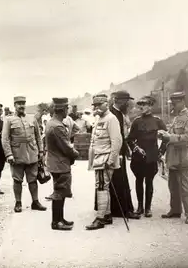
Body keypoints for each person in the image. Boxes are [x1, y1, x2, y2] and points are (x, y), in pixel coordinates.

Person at [1, 96, 46, 213]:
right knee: (17, 180)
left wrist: (41, 151)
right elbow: (5, 139)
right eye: (19, 103)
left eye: (23, 103)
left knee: (33, 179)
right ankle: (18, 202)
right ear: (14, 105)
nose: (21, 105)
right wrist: (9, 154)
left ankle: (35, 202)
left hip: (32, 154)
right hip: (17, 155)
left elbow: (38, 137)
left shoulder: (32, 119)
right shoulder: (9, 120)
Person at [158, 91, 188, 224]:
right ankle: (175, 210)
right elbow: (171, 134)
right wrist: (164, 134)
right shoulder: (175, 119)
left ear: (181, 102)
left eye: (174, 103)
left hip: (184, 157)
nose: (172, 106)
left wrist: (170, 137)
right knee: (173, 185)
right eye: (172, 103)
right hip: (173, 157)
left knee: (185, 187)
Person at [86, 94, 123, 230]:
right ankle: (106, 215)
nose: (96, 108)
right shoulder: (99, 119)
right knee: (102, 186)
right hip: (99, 159)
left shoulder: (111, 119)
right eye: (94, 105)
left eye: (98, 105)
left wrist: (111, 160)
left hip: (105, 159)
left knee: (101, 187)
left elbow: (117, 141)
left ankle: (100, 218)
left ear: (106, 104)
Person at [127, 95, 167, 217]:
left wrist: (161, 152)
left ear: (150, 106)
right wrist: (136, 148)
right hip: (139, 157)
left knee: (149, 182)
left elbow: (166, 137)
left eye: (144, 105)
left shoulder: (157, 121)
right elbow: (129, 139)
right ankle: (139, 207)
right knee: (139, 181)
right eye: (140, 105)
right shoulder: (136, 121)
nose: (141, 107)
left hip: (151, 157)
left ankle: (148, 208)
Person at [105, 90, 141, 220]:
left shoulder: (119, 113)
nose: (128, 103)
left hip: (119, 151)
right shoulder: (111, 114)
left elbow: (122, 135)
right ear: (119, 101)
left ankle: (121, 209)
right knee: (118, 180)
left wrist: (126, 149)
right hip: (114, 152)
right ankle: (123, 210)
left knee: (120, 180)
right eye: (126, 101)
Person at [45, 97, 79, 231]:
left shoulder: (52, 123)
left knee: (61, 192)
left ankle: (60, 219)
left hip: (56, 163)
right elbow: (66, 147)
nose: (68, 111)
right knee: (59, 193)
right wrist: (76, 153)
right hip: (60, 164)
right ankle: (56, 222)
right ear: (62, 109)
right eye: (66, 108)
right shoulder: (57, 126)